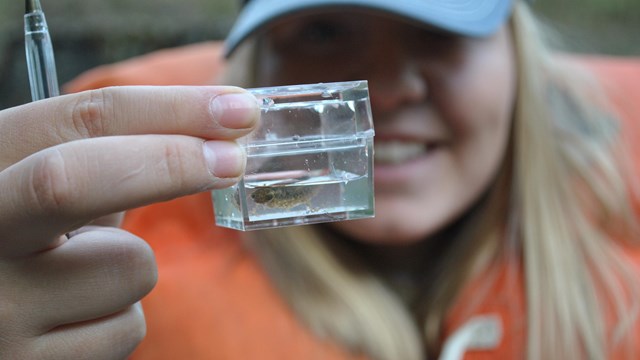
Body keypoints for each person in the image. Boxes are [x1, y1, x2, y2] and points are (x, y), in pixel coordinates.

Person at [1, 0, 639, 359]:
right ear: (257, 71)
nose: (385, 91)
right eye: (324, 30)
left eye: (434, 34)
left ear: (518, 62)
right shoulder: (94, 268)